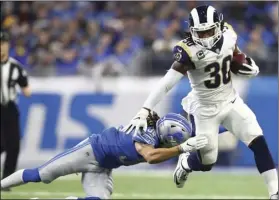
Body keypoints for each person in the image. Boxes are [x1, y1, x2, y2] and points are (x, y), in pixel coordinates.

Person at [123, 5, 278, 199]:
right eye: (200, 33)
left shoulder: (228, 34)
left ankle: (274, 193)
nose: (205, 37)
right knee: (207, 162)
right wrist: (145, 109)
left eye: (209, 31)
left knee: (258, 140)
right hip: (204, 110)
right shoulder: (188, 50)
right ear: (192, 31)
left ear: (219, 26)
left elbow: (235, 56)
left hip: (230, 101)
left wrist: (245, 64)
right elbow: (166, 83)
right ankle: (187, 163)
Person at [1, 112, 208, 199]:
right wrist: (181, 149)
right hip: (90, 151)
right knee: (41, 175)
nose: (179, 143)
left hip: (103, 166)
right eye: (177, 140)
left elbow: (200, 135)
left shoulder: (155, 133)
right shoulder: (147, 135)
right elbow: (152, 157)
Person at [0, 30, 31, 190]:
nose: (1, 47)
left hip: (10, 107)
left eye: (3, 43)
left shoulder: (15, 67)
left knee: (13, 145)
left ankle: (5, 181)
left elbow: (26, 90)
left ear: (7, 45)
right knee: (2, 144)